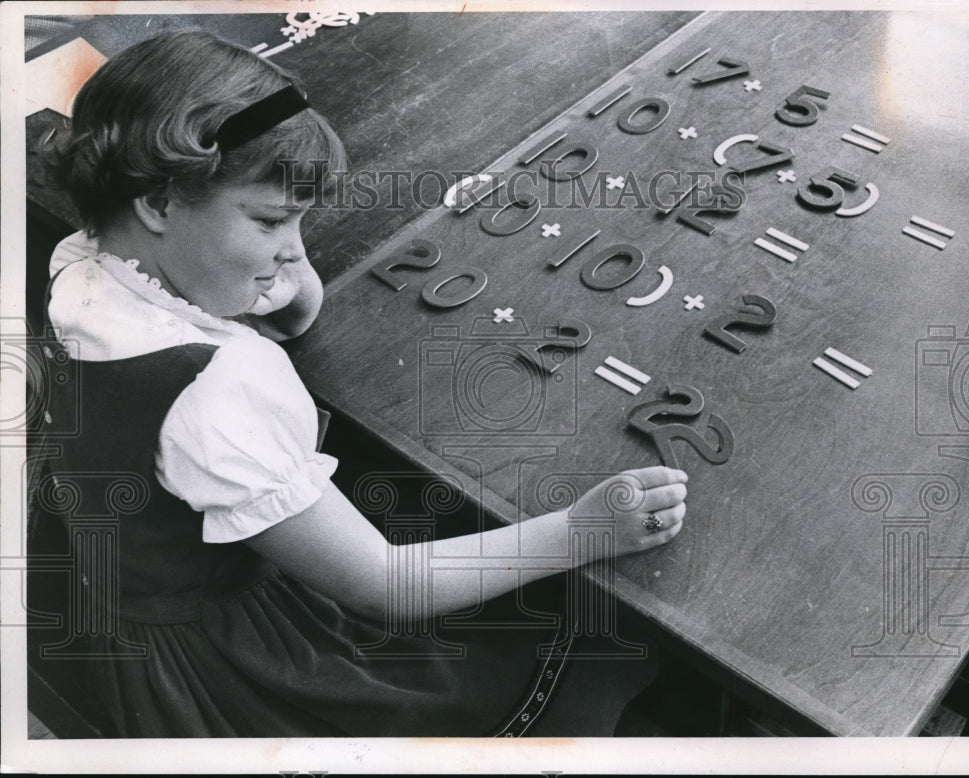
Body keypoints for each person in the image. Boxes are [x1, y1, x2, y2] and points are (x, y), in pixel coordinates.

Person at [35, 28, 689, 738]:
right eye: (272, 219)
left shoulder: (89, 259)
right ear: (159, 204)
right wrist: (578, 532)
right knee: (575, 650)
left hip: (126, 594)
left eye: (301, 222)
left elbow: (290, 307)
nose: (292, 247)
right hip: (237, 667)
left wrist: (270, 260)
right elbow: (383, 586)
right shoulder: (212, 388)